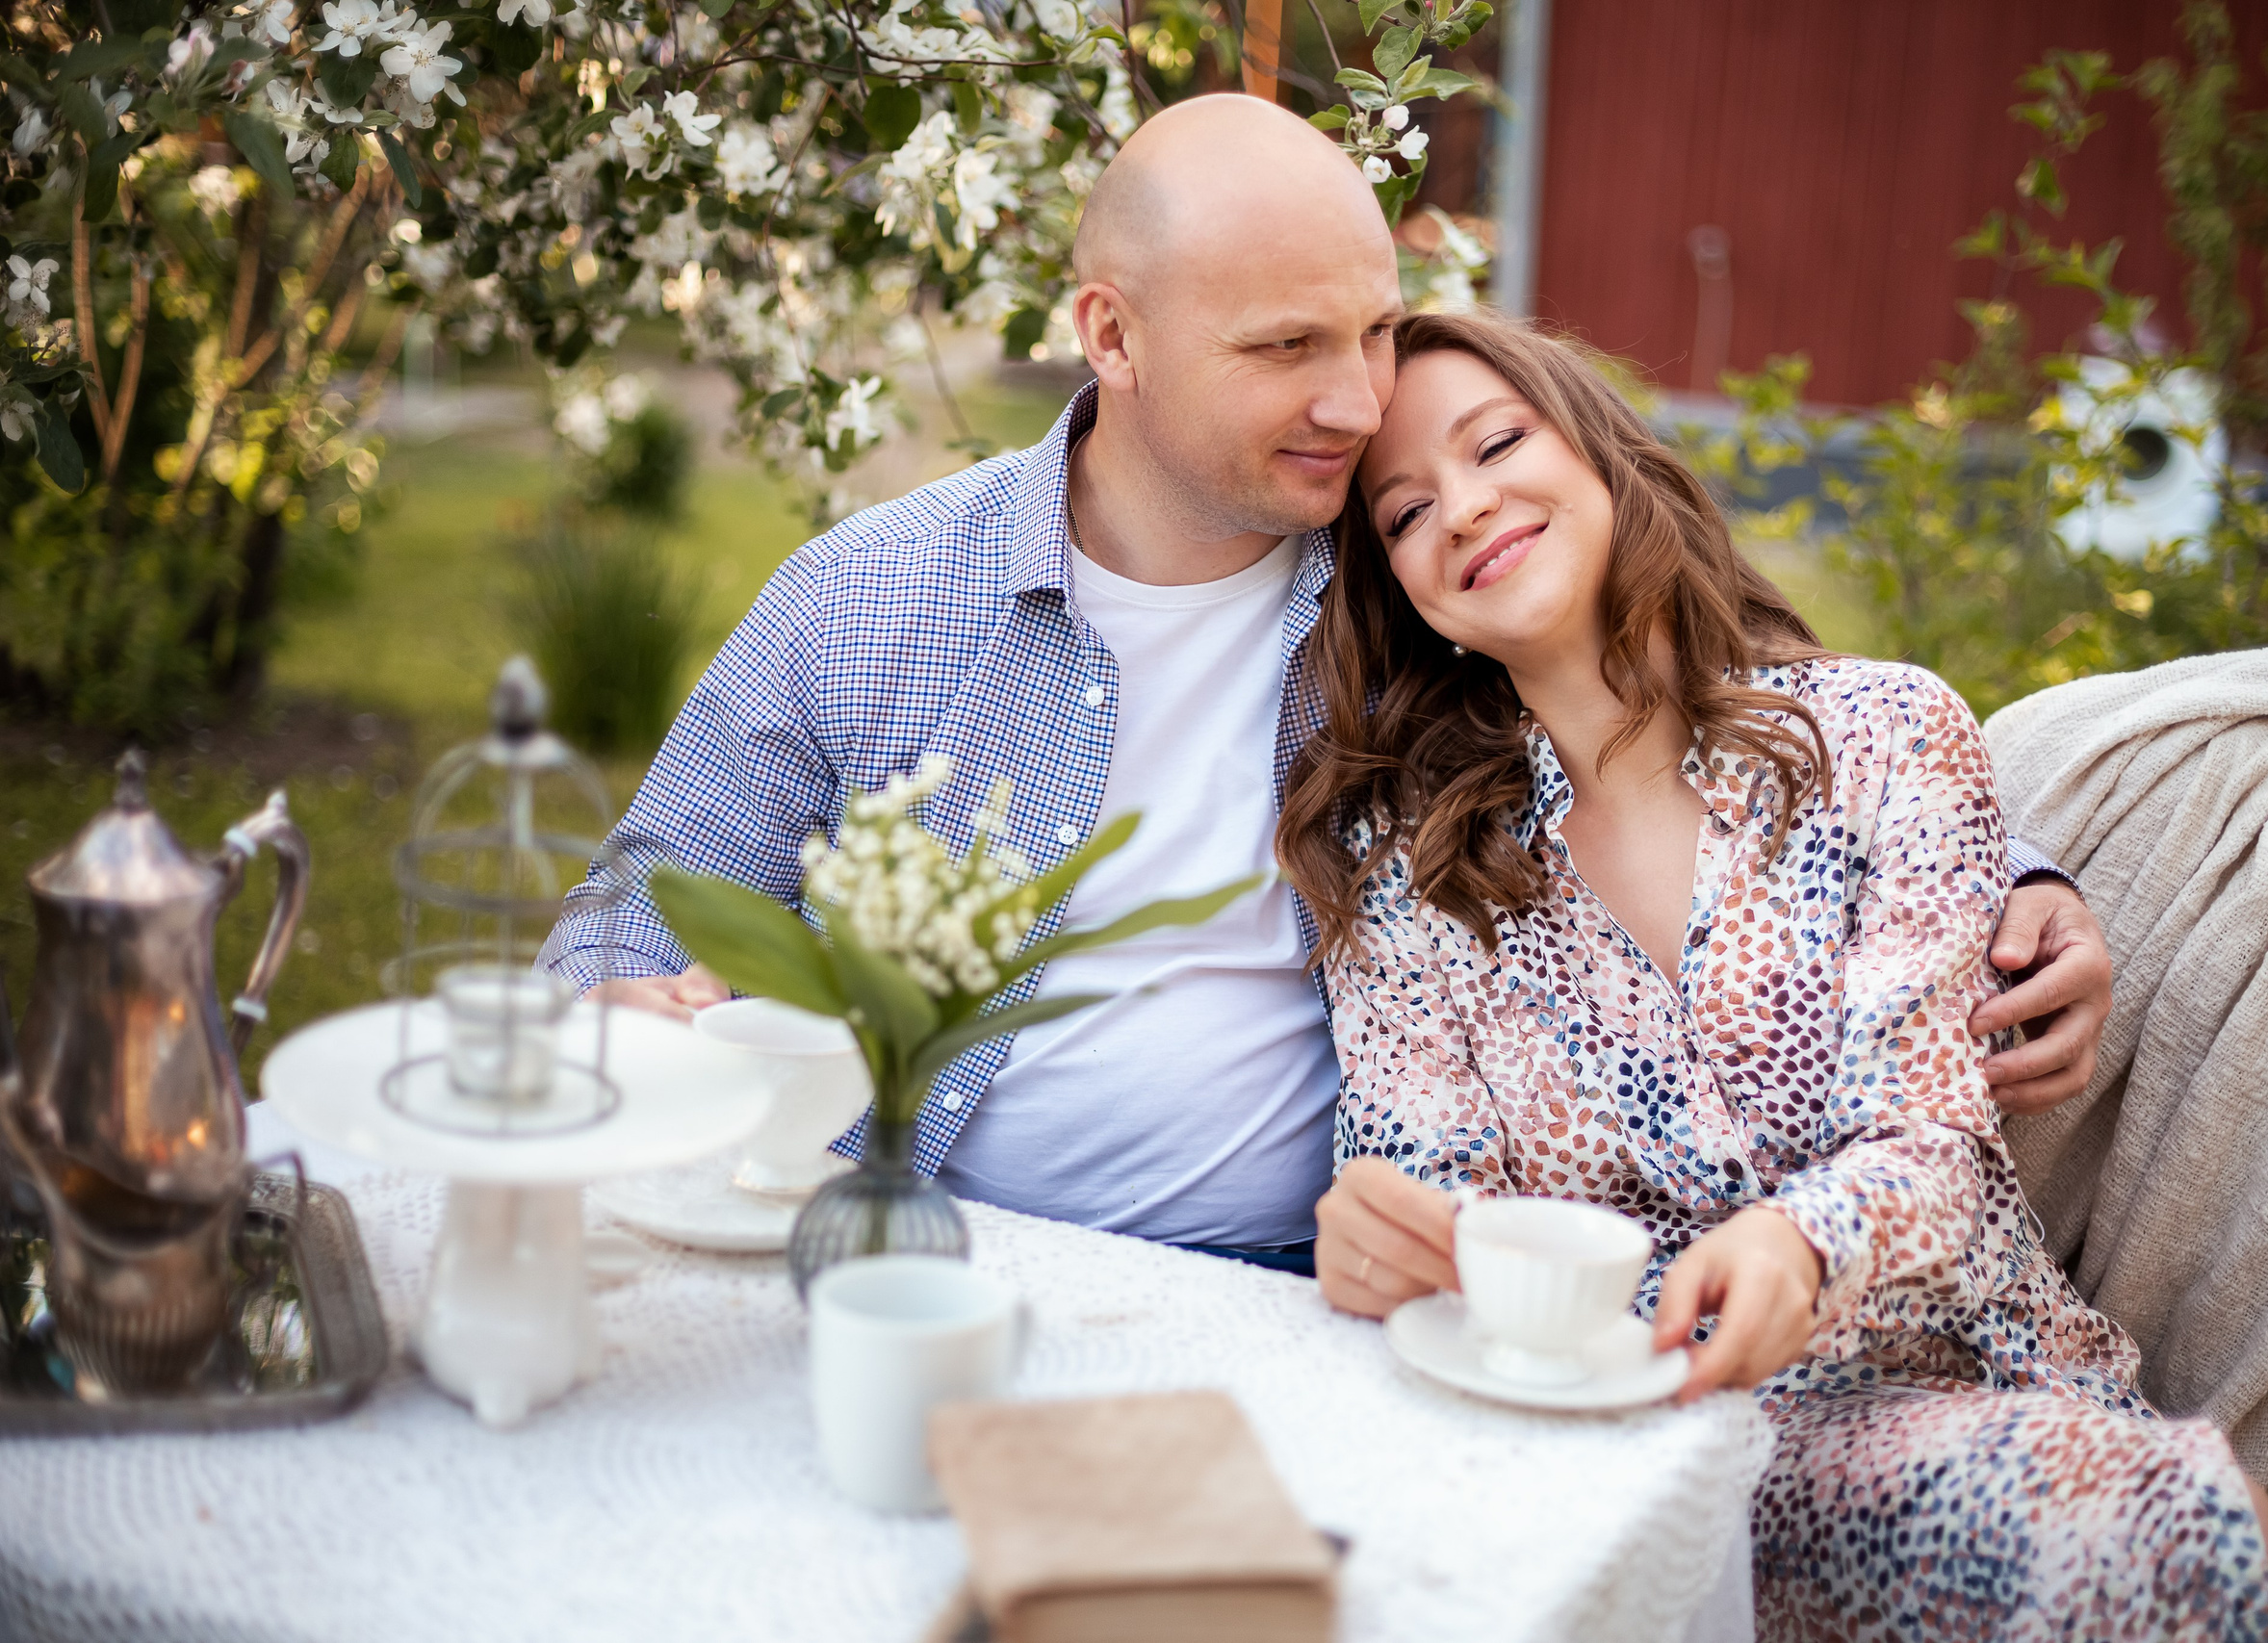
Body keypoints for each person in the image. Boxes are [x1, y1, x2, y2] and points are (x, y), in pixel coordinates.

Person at [541, 93, 2112, 1270]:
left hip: (1287, 1286)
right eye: (1287, 348)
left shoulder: (1414, 580)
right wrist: (632, 994)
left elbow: (1706, 684)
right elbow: (641, 903)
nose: (1360, 402)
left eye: (1372, 329)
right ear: (1113, 337)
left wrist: (2020, 877)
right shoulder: (871, 597)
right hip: (914, 1237)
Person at [1280, 308, 2268, 1641]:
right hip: (1619, 1439)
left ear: (1601, 454)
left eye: (1497, 445)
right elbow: (1431, 1196)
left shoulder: (1884, 739)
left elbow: (1933, 1146)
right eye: (1407, 512)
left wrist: (1799, 1241)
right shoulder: (1406, 867)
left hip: (1949, 1389)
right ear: (1407, 594)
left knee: (2201, 1535)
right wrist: (1383, 1237)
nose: (1467, 507)